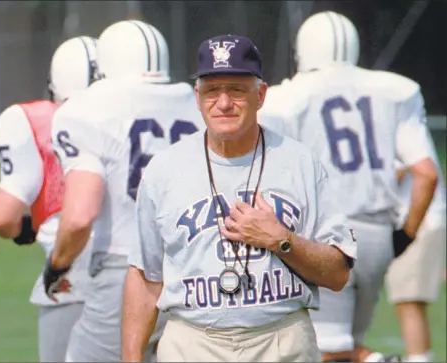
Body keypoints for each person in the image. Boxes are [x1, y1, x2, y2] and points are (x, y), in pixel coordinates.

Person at [121, 33, 357, 363]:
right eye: (212, 90)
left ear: (260, 94)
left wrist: (282, 241)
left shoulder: (302, 164)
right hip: (191, 343)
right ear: (197, 96)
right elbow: (146, 276)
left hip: (281, 340)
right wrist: (130, 358)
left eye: (236, 89)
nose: (224, 103)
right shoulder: (163, 169)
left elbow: (337, 274)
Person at [261, 11, 439, 363]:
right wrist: (403, 236)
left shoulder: (287, 98)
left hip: (323, 236)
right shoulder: (395, 90)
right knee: (346, 343)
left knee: (326, 349)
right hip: (377, 234)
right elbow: (427, 173)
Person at [43, 20, 206, 362]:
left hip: (126, 265)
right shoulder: (195, 101)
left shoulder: (87, 108)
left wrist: (57, 265)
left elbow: (78, 217)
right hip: (200, 269)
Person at [0, 36, 100, 362]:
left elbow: (2, 217)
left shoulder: (37, 120)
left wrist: (24, 228)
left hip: (71, 278)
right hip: (143, 278)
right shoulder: (140, 116)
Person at [385, 139, 446, 362]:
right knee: (408, 303)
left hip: (418, 222)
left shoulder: (398, 122)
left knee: (410, 303)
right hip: (417, 221)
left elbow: (394, 174)